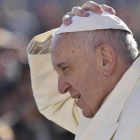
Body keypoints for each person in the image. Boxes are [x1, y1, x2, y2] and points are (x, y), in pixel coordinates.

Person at [27, 1, 140, 140]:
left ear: (105, 59)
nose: (61, 89)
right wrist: (68, 29)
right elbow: (55, 103)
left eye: (66, 68)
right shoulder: (103, 103)